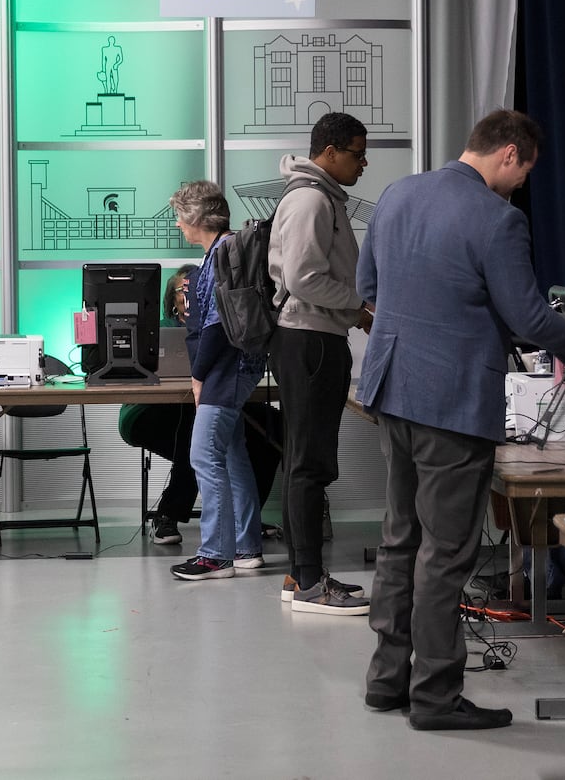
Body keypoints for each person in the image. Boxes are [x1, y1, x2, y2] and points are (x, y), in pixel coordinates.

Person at [357, 109, 565, 731]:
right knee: (446, 552)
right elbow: (530, 321)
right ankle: (436, 698)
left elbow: (366, 287)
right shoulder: (499, 219)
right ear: (508, 153)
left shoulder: (396, 194)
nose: (520, 184)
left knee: (400, 540)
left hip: (392, 389)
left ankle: (386, 681)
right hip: (451, 403)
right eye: (523, 171)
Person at [268, 111, 375, 613]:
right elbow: (305, 277)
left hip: (308, 338)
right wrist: (357, 309)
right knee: (309, 465)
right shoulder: (311, 198)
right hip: (309, 340)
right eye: (357, 153)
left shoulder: (316, 196)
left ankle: (300, 574)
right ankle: (310, 583)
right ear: (328, 152)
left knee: (302, 462)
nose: (363, 163)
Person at [118, 266, 282, 546]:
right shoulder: (157, 331)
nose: (189, 308)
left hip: (210, 402)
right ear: (172, 303)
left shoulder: (221, 330)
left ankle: (246, 519)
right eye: (183, 302)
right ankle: (166, 516)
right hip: (149, 412)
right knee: (195, 439)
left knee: (273, 429)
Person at [167, 181, 269, 580]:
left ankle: (215, 555)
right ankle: (246, 548)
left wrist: (197, 376)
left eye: (180, 216)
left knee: (203, 457)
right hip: (242, 366)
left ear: (195, 218)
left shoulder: (219, 258)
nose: (178, 225)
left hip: (225, 371)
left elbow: (214, 327)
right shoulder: (235, 250)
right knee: (233, 455)